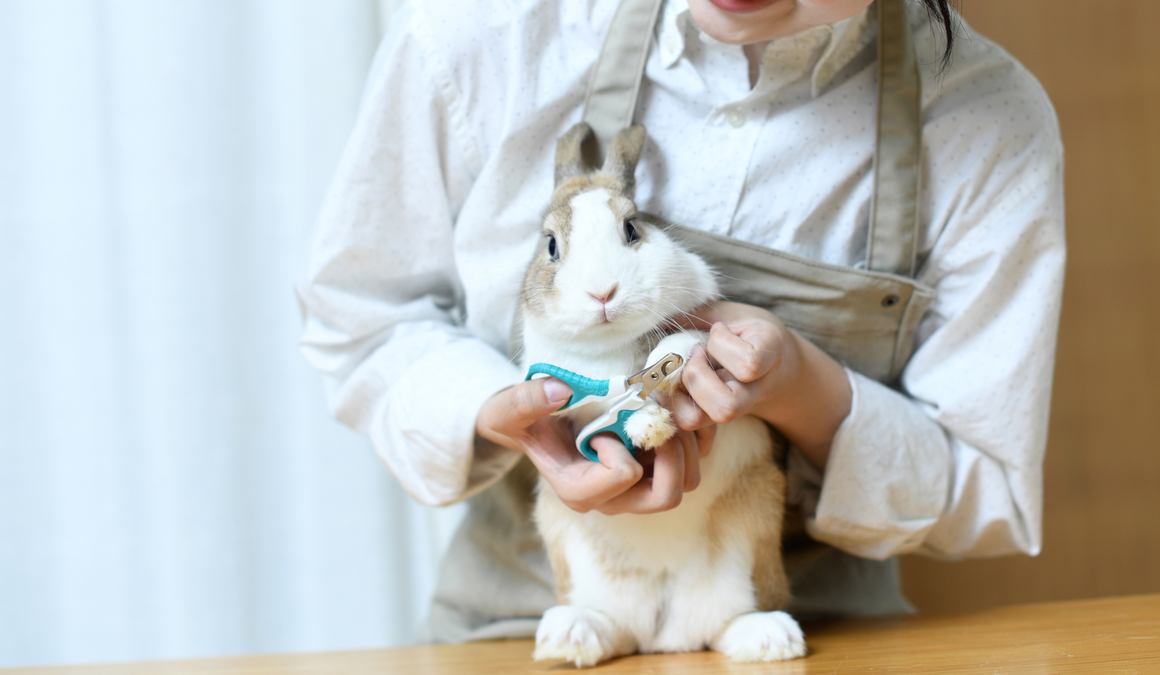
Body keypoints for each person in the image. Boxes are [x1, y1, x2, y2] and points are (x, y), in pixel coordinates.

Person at [297, 0, 1064, 643]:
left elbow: (989, 487)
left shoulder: (984, 123)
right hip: (523, 620)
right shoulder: (487, 38)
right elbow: (362, 314)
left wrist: (802, 389)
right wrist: (506, 414)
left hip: (803, 628)